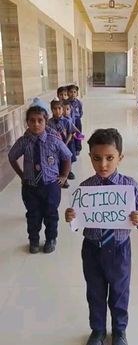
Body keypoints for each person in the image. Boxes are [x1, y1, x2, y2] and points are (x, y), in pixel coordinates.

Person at [65, 128, 138, 345]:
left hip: (119, 249)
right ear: (89, 157)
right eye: (97, 158)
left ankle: (119, 331)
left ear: (120, 157)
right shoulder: (85, 189)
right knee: (95, 292)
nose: (103, 164)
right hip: (92, 249)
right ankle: (98, 330)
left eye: (110, 158)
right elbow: (77, 220)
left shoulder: (129, 186)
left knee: (120, 292)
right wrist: (71, 216)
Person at [8, 105, 72, 254]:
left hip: (51, 186)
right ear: (27, 122)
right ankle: (34, 240)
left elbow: (67, 157)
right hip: (30, 187)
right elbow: (11, 157)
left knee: (51, 214)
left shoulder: (53, 140)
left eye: (40, 121)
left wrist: (64, 176)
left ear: (46, 121)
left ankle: (51, 239)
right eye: (32, 121)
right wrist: (22, 175)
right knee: (33, 215)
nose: (36, 124)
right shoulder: (24, 141)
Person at [48, 99, 75, 187]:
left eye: (59, 108)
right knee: (56, 162)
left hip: (65, 145)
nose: (57, 111)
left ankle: (65, 179)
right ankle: (56, 178)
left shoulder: (67, 121)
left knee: (65, 162)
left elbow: (70, 133)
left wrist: (65, 144)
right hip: (54, 147)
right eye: (55, 109)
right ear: (51, 110)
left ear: (62, 109)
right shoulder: (49, 122)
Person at [68, 84, 83, 155]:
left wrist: (78, 118)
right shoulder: (66, 103)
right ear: (68, 93)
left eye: (74, 92)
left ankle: (78, 147)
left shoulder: (79, 102)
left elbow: (81, 112)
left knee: (79, 133)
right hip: (69, 121)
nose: (73, 94)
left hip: (77, 120)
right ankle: (72, 147)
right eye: (71, 92)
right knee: (70, 134)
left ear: (77, 93)